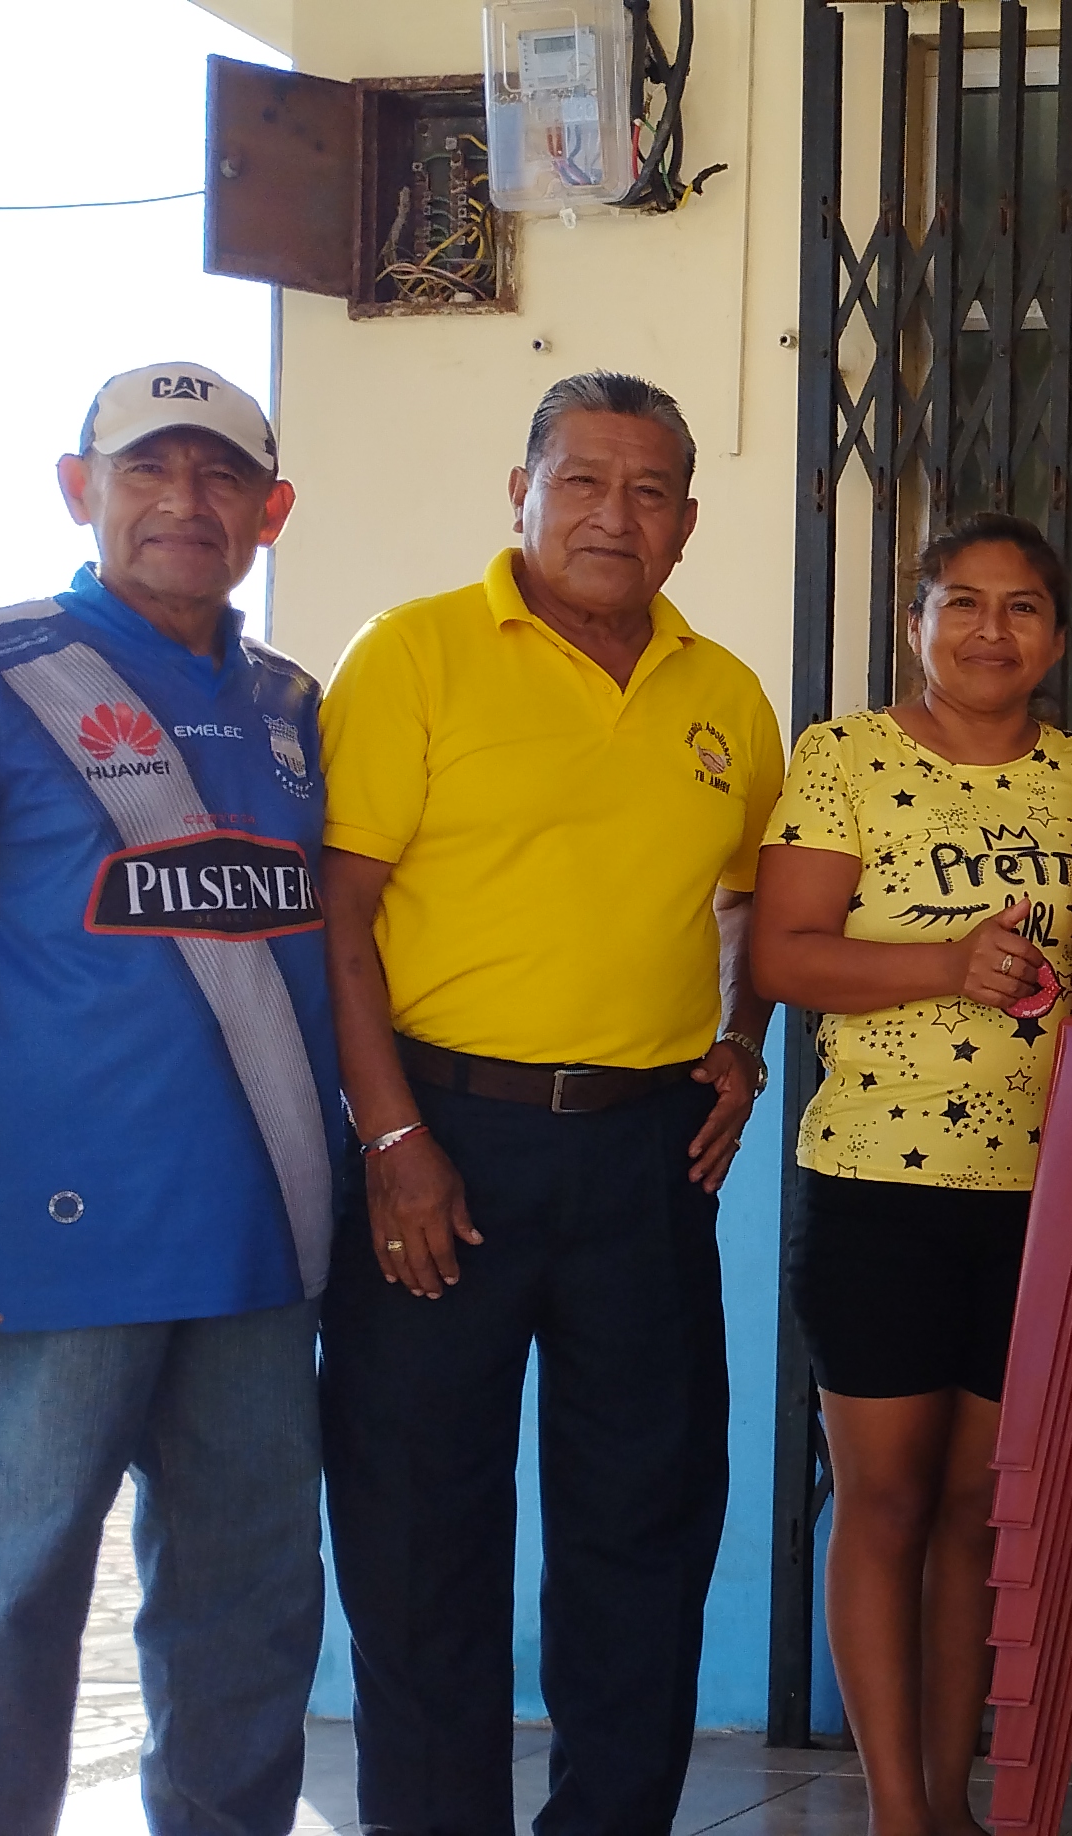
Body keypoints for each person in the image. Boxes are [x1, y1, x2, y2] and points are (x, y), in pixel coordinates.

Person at [0, 362, 341, 1836]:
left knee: (250, 1616)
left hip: (260, 1254)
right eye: (147, 470)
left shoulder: (294, 704)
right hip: (39, 1255)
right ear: (81, 490)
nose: (186, 502)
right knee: (6, 1610)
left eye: (221, 476)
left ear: (271, 511)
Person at [314, 371, 785, 1834]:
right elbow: (338, 914)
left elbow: (750, 905)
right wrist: (392, 1138)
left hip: (649, 1158)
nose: (611, 516)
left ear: (688, 522)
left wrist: (742, 1039)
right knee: (418, 1528)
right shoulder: (415, 651)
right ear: (521, 494)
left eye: (648, 491)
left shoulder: (726, 695)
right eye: (580, 481)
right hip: (442, 1141)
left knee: (645, 1523)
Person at [745, 513, 1072, 1835]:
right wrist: (949, 964)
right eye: (961, 603)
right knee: (885, 1500)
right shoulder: (845, 758)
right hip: (878, 1188)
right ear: (916, 626)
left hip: (1047, 1198)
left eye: (1021, 607)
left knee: (978, 1510)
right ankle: (898, 1811)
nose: (990, 630)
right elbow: (785, 955)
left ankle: (953, 1804)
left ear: (1056, 641)